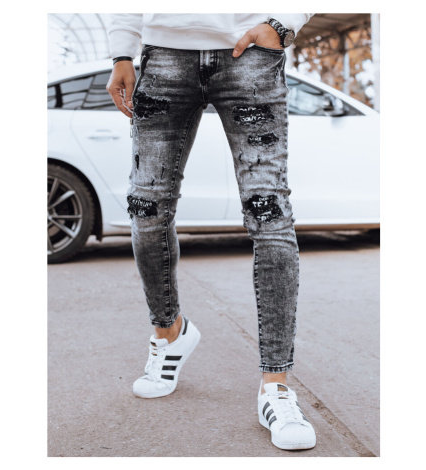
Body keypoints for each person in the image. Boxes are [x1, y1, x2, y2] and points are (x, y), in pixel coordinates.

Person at [106, 13, 316, 451]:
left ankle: (275, 386)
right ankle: (170, 333)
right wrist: (122, 51)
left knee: (270, 213)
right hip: (164, 56)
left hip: (250, 53)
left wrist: (283, 22)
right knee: (146, 208)